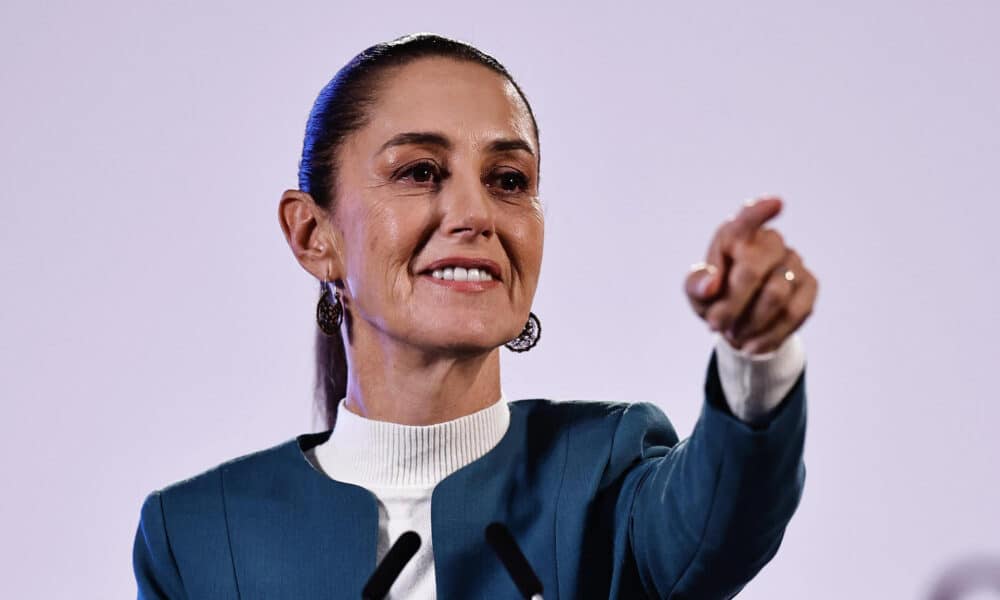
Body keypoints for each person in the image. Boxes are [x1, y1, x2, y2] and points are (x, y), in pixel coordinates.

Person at [132, 33, 818, 599]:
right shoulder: (196, 536)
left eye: (508, 181)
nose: (475, 214)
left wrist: (756, 353)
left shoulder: (605, 476)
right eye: (421, 171)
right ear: (314, 234)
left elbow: (722, 521)